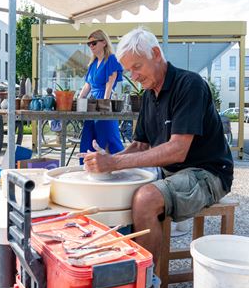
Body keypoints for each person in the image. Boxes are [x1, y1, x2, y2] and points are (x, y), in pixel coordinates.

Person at [82, 27, 234, 264]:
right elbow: (140, 146)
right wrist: (109, 163)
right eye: (129, 70)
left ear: (155, 53)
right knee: (118, 190)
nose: (134, 76)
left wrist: (115, 162)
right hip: (173, 172)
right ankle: (121, 268)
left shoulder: (189, 84)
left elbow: (177, 149)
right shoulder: (149, 95)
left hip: (208, 172)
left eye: (137, 66)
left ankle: (146, 285)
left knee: (145, 199)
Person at [78, 30, 124, 159]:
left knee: (108, 139)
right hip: (91, 106)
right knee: (89, 139)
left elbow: (110, 84)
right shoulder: (92, 64)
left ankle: (119, 168)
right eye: (89, 44)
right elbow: (87, 85)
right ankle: (90, 170)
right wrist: (78, 100)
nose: (91, 46)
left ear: (104, 42)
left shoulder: (111, 59)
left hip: (104, 103)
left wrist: (104, 104)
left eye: (93, 43)